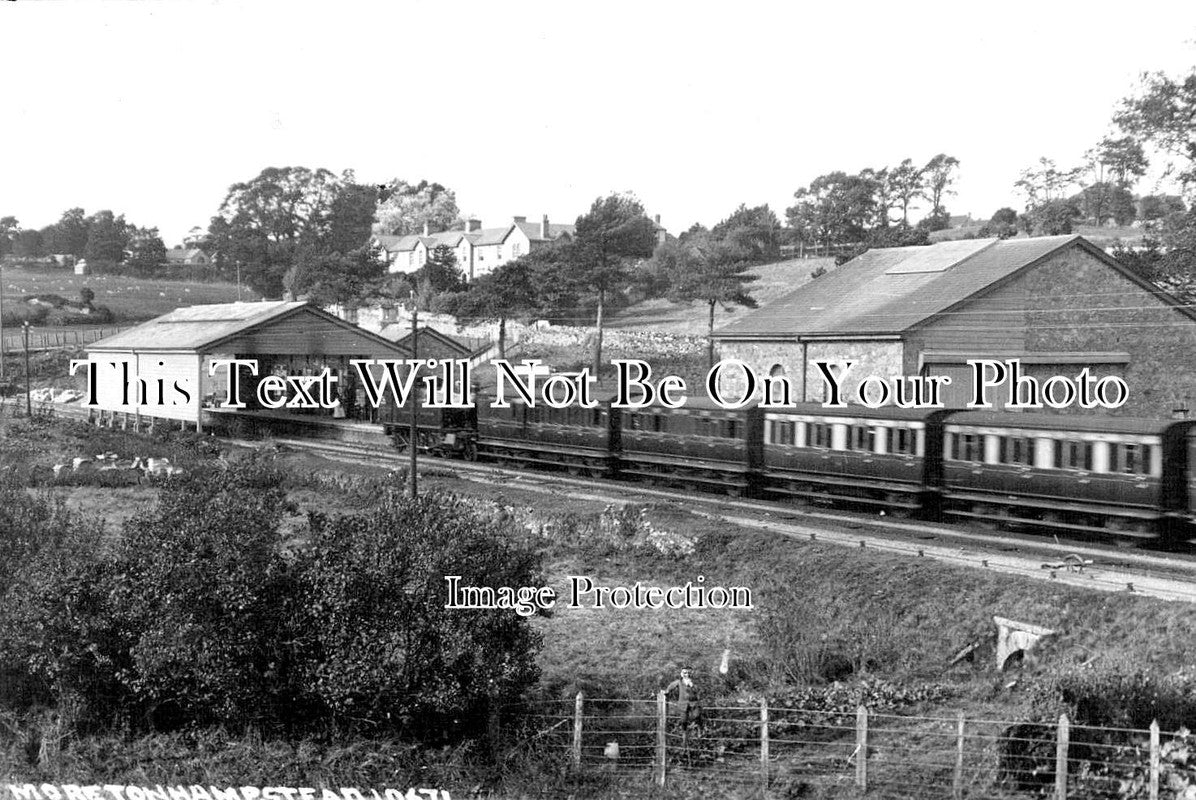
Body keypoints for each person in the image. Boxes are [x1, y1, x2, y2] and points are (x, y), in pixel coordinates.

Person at [663, 666, 703, 733]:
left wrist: (692, 686)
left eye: (688, 673)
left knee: (697, 716)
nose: (687, 675)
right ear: (681, 674)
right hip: (683, 704)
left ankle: (700, 729)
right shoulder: (679, 682)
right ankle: (684, 734)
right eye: (685, 673)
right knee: (683, 720)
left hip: (694, 703)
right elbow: (671, 686)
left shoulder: (695, 682)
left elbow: (699, 690)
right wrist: (667, 691)